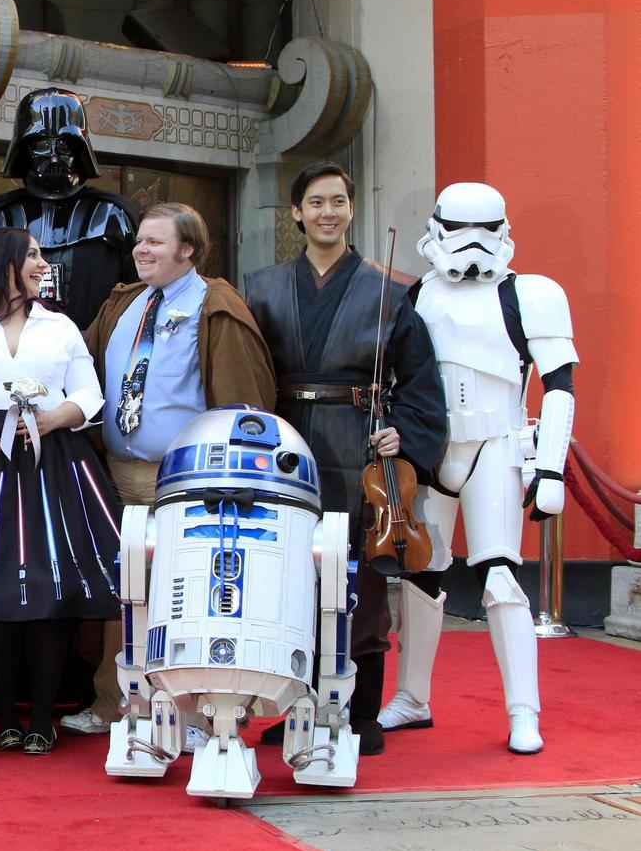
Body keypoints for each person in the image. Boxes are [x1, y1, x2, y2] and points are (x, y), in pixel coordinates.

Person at [242, 161, 446, 756]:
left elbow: (420, 381)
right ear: (297, 212)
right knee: (292, 579)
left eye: (338, 201)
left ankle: (362, 714)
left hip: (360, 443)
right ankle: (295, 708)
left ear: (351, 209)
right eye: (315, 202)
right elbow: (248, 371)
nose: (327, 212)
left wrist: (401, 433)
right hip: (286, 447)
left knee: (363, 585)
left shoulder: (393, 288)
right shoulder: (261, 286)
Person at [62, 202, 277, 737]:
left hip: (185, 481)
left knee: (187, 598)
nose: (140, 249)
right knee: (124, 591)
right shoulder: (126, 305)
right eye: (139, 240)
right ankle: (117, 704)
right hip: (118, 474)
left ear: (189, 250)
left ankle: (194, 713)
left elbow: (243, 402)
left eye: (155, 242)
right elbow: (79, 369)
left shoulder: (216, 306)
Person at [379, 182, 576, 754]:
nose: (471, 245)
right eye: (459, 230)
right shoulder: (417, 295)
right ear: (436, 228)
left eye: (484, 231)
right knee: (422, 573)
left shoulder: (531, 294)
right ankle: (412, 698)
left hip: (497, 441)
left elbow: (559, 385)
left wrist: (552, 467)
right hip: (435, 447)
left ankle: (523, 711)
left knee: (499, 576)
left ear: (504, 231)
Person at [0, 227, 122, 755]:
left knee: (48, 591)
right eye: (35, 255)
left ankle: (42, 717)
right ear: (6, 263)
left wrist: (50, 420)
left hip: (53, 465)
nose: (44, 263)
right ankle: (4, 719)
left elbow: (91, 395)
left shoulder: (59, 325)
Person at [0, 87, 139, 329]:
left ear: (80, 148)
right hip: (8, 354)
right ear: (22, 148)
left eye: (65, 145)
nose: (54, 156)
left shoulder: (113, 214)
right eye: (42, 145)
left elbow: (140, 300)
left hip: (93, 354)